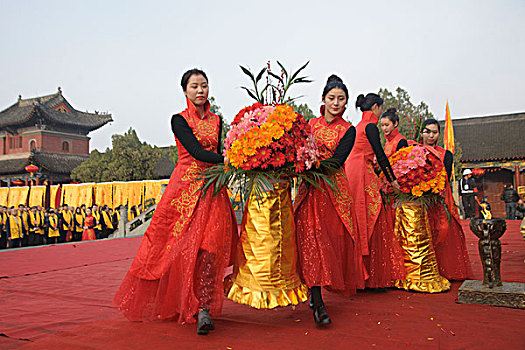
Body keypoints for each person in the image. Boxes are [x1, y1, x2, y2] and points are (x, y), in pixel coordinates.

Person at [113, 68, 237, 335]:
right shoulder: (178, 120)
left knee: (209, 249)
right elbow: (196, 152)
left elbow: (216, 151)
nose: (200, 90)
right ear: (185, 91)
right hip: (184, 191)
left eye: (204, 85)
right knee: (171, 248)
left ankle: (203, 308)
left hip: (212, 190)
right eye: (194, 86)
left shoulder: (217, 120)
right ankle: (182, 302)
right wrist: (227, 160)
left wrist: (228, 165)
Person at [294, 75, 361, 325]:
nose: (335, 102)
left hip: (333, 190)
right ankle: (317, 299)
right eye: (331, 98)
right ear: (322, 99)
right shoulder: (309, 124)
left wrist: (310, 165)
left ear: (346, 103)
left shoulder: (349, 130)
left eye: (341, 99)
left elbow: (337, 161)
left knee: (327, 241)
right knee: (310, 240)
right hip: (308, 190)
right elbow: (296, 149)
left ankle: (317, 292)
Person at [344, 93, 405, 288]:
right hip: (362, 174)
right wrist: (392, 179)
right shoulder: (370, 126)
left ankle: (360, 274)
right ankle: (369, 276)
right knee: (371, 218)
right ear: (377, 107)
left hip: (352, 173)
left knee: (360, 220)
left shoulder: (357, 126)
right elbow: (379, 153)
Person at [420, 119, 472, 280]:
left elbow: (446, 177)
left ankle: (446, 271)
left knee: (444, 232)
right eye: (427, 131)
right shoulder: (414, 152)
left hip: (441, 198)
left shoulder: (445, 154)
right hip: (420, 198)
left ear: (439, 134)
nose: (430, 135)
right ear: (421, 133)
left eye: (434, 132)